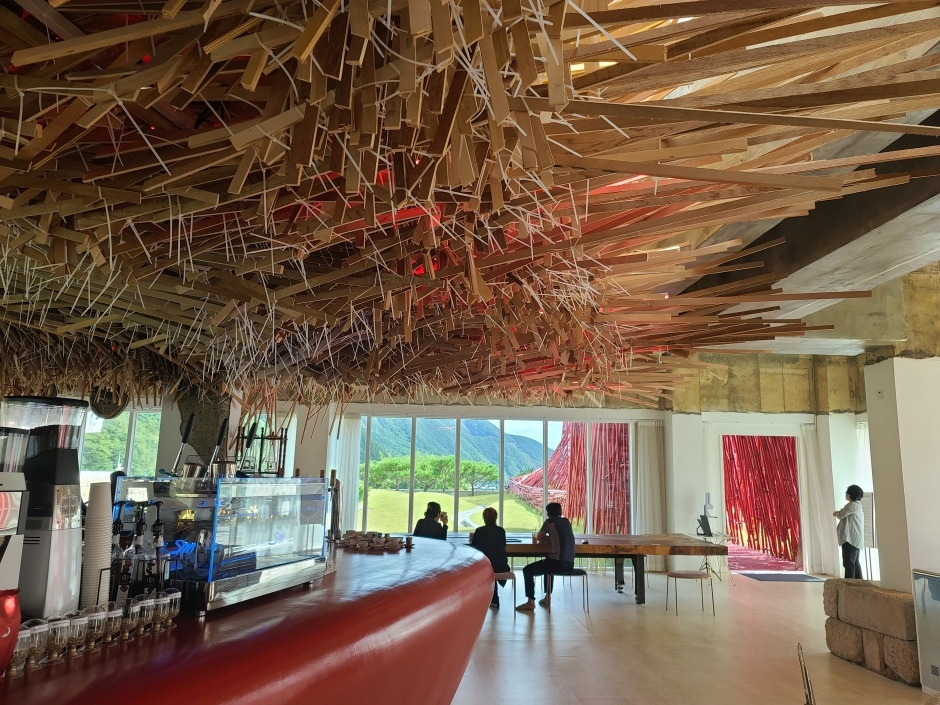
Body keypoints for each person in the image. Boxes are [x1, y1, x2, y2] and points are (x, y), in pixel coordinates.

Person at [516, 502, 575, 612]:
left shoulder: (549, 522)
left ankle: (530, 602)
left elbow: (539, 537)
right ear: (560, 511)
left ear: (548, 513)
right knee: (548, 565)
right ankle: (547, 598)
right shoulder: (567, 521)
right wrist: (552, 539)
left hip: (557, 562)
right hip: (570, 563)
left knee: (527, 570)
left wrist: (548, 539)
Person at [471, 507, 510, 608]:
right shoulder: (501, 531)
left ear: (484, 518)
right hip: (501, 567)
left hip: (485, 567)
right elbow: (503, 545)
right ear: (496, 517)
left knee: (489, 564)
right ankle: (494, 599)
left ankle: (488, 599)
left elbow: (475, 546)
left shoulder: (479, 531)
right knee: (493, 562)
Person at [833, 484, 864, 579]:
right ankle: (859, 583)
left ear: (850, 495)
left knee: (848, 563)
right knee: (855, 563)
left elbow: (841, 514)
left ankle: (849, 584)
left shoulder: (852, 505)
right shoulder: (858, 505)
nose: (846, 494)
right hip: (855, 539)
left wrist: (836, 513)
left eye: (847, 493)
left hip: (850, 539)